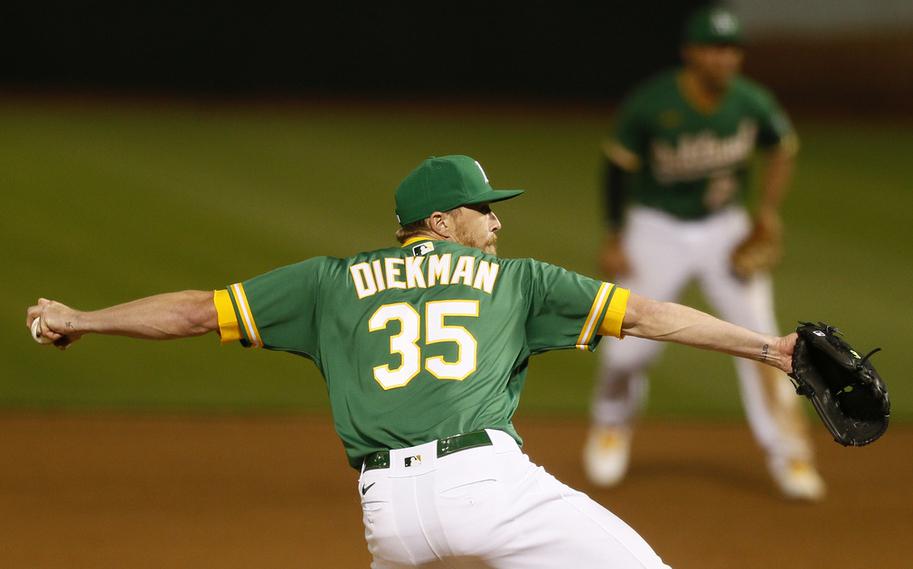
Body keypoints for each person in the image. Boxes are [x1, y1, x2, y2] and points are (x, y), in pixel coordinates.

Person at [29, 154, 803, 568]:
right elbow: (645, 314)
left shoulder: (326, 281)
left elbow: (196, 311)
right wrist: (766, 346)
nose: (497, 223)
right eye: (484, 209)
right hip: (489, 488)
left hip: (388, 520)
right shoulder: (518, 279)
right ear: (440, 220)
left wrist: (83, 319)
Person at [584, 7, 824, 501]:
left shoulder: (751, 102)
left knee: (767, 345)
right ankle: (611, 425)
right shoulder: (653, 103)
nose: (725, 57)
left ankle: (791, 453)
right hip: (656, 228)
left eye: (732, 48)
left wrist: (769, 211)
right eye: (714, 48)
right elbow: (616, 169)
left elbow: (784, 147)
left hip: (725, 231)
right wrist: (614, 235)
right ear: (691, 53)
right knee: (627, 337)